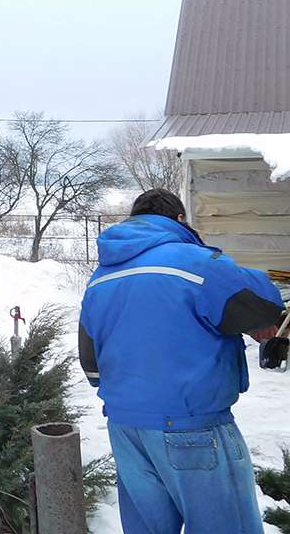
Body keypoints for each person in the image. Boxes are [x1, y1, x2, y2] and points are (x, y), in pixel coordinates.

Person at [79, 188, 285, 534]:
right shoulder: (195, 263)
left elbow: (91, 363)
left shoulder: (100, 278)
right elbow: (264, 303)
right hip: (193, 429)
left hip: (126, 430)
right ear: (179, 220)